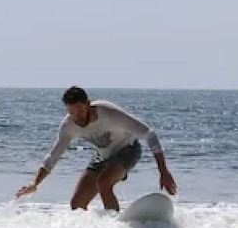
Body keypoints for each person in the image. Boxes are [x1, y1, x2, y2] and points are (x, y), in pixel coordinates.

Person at [16, 86, 177, 211]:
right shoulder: (68, 126)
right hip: (103, 156)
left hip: (128, 149)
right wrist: (35, 183)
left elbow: (149, 133)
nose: (77, 116)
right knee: (77, 204)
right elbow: (53, 157)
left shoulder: (107, 112)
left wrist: (163, 171)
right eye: (72, 112)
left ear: (88, 104)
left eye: (80, 110)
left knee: (104, 182)